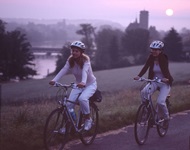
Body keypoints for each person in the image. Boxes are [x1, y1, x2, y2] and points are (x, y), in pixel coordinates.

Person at [49, 41, 97, 131]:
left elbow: (85, 71)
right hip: (78, 85)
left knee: (82, 99)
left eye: (76, 51)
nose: (74, 52)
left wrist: (83, 82)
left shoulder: (86, 60)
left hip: (89, 85)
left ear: (81, 52)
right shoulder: (70, 60)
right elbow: (64, 70)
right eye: (73, 50)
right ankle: (69, 126)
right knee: (68, 106)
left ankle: (88, 119)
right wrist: (54, 80)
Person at [134, 40, 173, 125]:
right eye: (152, 49)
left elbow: (165, 69)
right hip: (154, 81)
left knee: (160, 102)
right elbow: (146, 67)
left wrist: (166, 78)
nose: (154, 51)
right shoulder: (151, 57)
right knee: (144, 92)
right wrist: (139, 76)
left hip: (164, 83)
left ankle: (166, 118)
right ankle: (147, 110)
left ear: (161, 50)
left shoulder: (163, 58)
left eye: (156, 50)